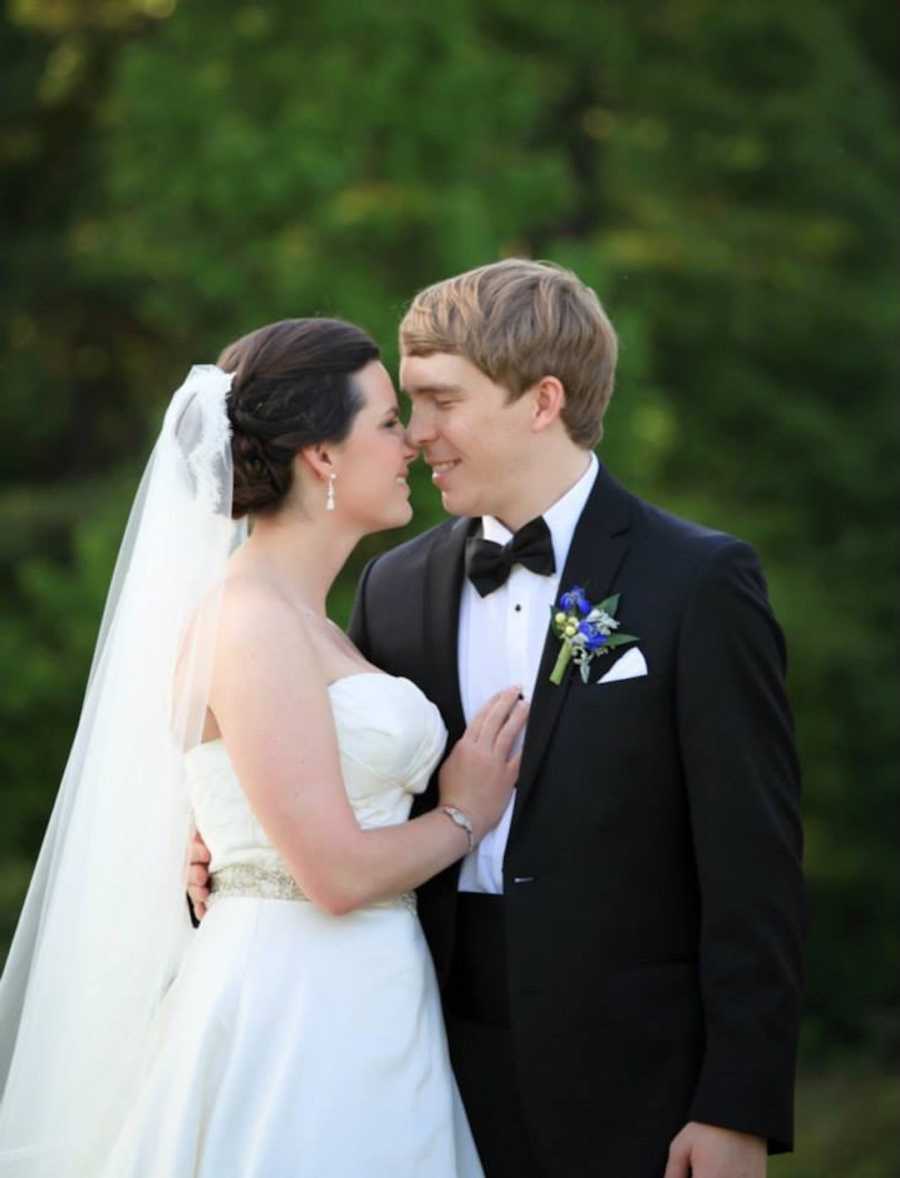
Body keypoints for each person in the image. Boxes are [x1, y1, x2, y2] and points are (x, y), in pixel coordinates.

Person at [0, 318, 530, 1177]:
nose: (412, 445)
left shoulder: (312, 622)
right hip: (295, 1012)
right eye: (389, 422)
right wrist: (466, 812)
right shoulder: (249, 622)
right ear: (322, 455)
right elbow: (334, 874)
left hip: (372, 996)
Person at [341, 260, 805, 1177]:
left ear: (543, 400)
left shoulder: (699, 581)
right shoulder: (393, 587)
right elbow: (350, 791)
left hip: (634, 1084)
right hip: (420, 1066)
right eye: (409, 405)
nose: (414, 436)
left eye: (441, 402)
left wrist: (736, 1107)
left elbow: (754, 863)